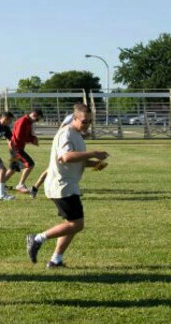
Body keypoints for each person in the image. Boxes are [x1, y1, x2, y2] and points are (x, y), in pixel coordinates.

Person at [26, 103, 109, 268]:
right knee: (77, 224)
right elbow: (65, 157)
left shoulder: (77, 134)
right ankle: (37, 238)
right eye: (85, 121)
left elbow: (77, 159)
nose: (88, 125)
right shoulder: (66, 133)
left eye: (90, 122)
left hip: (68, 184)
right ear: (75, 119)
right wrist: (93, 153)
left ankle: (56, 260)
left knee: (71, 224)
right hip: (61, 185)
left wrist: (93, 163)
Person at [10, 109, 43, 193]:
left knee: (13, 168)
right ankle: (20, 185)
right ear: (33, 115)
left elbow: (27, 135)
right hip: (16, 148)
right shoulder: (23, 121)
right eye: (37, 119)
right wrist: (32, 140)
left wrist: (33, 138)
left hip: (17, 147)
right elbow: (19, 136)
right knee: (30, 164)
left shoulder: (29, 122)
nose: (36, 121)